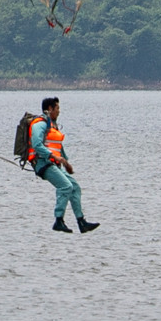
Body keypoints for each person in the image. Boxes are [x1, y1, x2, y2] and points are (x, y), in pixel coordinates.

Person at [27, 96, 98, 233]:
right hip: (43, 164)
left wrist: (66, 162)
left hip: (54, 164)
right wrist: (53, 156)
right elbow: (36, 145)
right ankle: (58, 220)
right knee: (66, 186)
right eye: (57, 108)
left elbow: (58, 147)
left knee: (75, 187)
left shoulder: (52, 125)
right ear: (50, 109)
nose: (59, 111)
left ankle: (81, 222)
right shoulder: (39, 124)